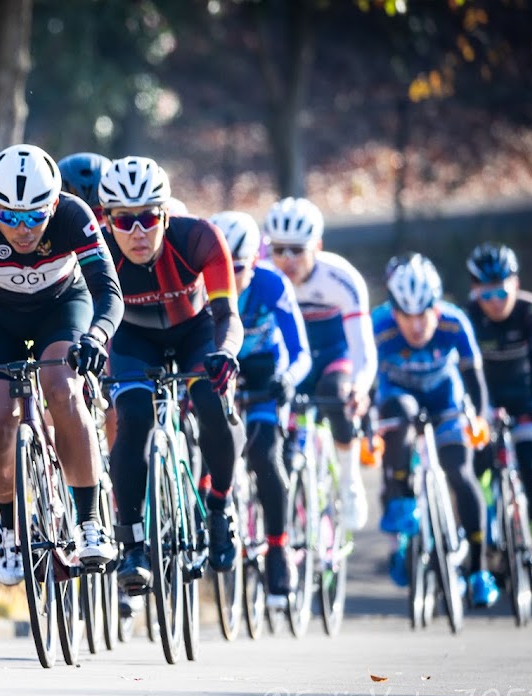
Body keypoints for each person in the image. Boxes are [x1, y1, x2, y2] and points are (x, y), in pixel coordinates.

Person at [0, 144, 124, 585]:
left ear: (54, 204)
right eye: (10, 216)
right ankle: (10, 525)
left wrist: (97, 335)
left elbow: (108, 293)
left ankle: (89, 520)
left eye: (36, 216)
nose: (22, 229)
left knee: (63, 388)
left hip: (62, 309)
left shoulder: (74, 217)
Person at [97, 156, 244, 594]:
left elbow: (227, 314)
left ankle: (219, 507)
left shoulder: (198, 237)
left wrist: (226, 353)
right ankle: (134, 545)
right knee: (135, 417)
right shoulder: (98, 251)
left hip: (196, 333)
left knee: (210, 403)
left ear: (165, 213)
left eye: (147, 218)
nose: (138, 232)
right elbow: (91, 316)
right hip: (131, 339)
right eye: (124, 221)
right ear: (107, 220)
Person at [373, 254, 498, 607]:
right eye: (405, 316)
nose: (415, 326)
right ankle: (402, 507)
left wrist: (480, 418)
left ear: (437, 308)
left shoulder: (455, 323)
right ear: (392, 310)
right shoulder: (378, 325)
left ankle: (477, 570)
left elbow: (475, 377)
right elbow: (366, 379)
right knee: (398, 420)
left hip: (446, 400)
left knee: (460, 472)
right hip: (399, 398)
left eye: (423, 314)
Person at [210, 210, 311, 604]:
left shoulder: (272, 284)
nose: (228, 276)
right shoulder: (203, 285)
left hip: (267, 369)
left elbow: (300, 351)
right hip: (225, 367)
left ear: (255, 261)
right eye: (219, 266)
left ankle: (279, 547)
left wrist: (289, 379)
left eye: (237, 267)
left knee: (266, 456)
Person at [265, 197, 375, 532]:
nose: (287, 259)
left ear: (318, 246)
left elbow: (362, 347)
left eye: (297, 250)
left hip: (332, 356)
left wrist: (360, 386)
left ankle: (347, 477)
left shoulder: (341, 278)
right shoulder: (263, 274)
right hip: (290, 361)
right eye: (279, 249)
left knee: (336, 393)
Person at [465, 242, 532, 595]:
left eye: (502, 290)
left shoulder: (531, 311)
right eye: (486, 292)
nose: (494, 301)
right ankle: (490, 537)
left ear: (515, 284)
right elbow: (465, 373)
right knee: (480, 466)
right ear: (475, 290)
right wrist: (479, 411)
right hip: (488, 398)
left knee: (531, 465)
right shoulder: (469, 316)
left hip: (529, 393)